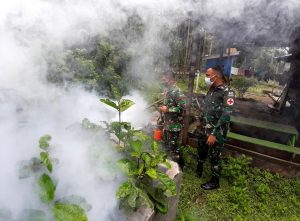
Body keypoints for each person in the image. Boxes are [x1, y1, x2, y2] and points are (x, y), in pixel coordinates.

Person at [196, 65, 234, 190]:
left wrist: (214, 133)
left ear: (215, 76)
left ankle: (215, 181)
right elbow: (206, 107)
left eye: (207, 75)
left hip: (216, 130)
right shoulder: (211, 89)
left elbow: (226, 115)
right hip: (205, 127)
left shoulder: (228, 92)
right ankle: (199, 167)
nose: (206, 77)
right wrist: (200, 121)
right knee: (201, 148)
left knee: (214, 155)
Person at [159, 70, 186, 168]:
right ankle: (170, 167)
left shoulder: (177, 91)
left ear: (170, 79)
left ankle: (180, 168)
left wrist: (168, 109)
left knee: (174, 149)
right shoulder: (167, 90)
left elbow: (184, 109)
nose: (163, 81)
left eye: (164, 79)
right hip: (167, 125)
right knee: (167, 147)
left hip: (174, 126)